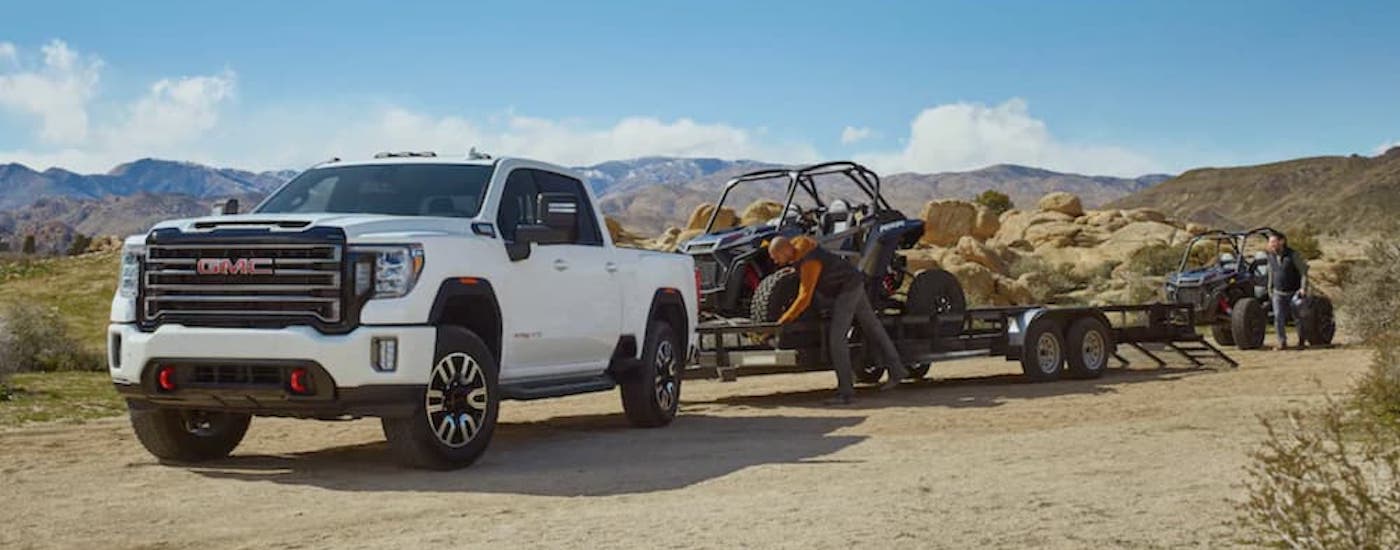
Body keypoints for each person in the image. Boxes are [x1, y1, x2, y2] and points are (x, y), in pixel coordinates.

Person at [767, 235, 907, 405]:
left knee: (837, 339)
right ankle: (897, 369)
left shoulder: (809, 261)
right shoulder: (800, 246)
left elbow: (804, 298)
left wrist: (784, 320)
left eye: (776, 257)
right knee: (872, 326)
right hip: (853, 280)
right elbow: (802, 263)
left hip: (846, 289)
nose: (775, 261)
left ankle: (846, 393)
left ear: (785, 250)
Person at [1265, 231, 1310, 350]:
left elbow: (1303, 271)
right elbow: (1271, 272)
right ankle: (1282, 342)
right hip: (1278, 293)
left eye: (1273, 242)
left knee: (1298, 317)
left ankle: (1301, 341)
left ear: (1282, 242)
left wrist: (1303, 288)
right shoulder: (1270, 256)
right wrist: (1270, 288)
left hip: (1294, 292)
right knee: (1278, 316)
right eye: (1270, 242)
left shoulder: (1293, 255)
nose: (1271, 245)